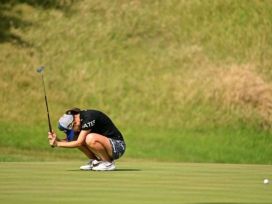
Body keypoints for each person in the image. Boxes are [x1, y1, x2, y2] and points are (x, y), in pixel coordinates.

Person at [48, 107, 126, 171]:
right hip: (108, 146)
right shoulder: (79, 122)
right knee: (79, 139)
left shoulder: (88, 117)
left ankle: (108, 163)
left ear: (74, 123)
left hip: (117, 146)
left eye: (71, 129)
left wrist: (57, 144)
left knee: (90, 138)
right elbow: (72, 142)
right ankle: (96, 162)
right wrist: (57, 140)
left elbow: (78, 142)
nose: (72, 131)